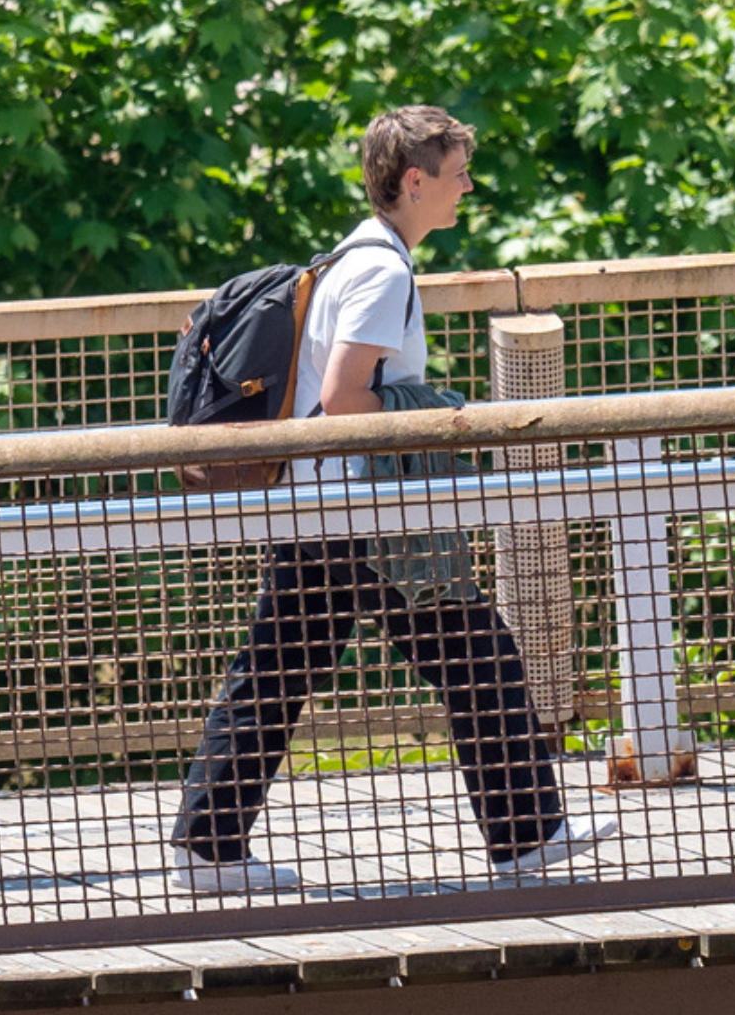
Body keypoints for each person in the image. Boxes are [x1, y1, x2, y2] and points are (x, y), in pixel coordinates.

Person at [168, 107, 617, 892]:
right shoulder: (380, 269)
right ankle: (528, 839)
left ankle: (208, 847)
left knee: (275, 675)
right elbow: (345, 399)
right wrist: (443, 416)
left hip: (325, 507)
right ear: (414, 181)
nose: (467, 188)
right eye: (456, 175)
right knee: (478, 659)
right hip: (365, 512)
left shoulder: (352, 255)